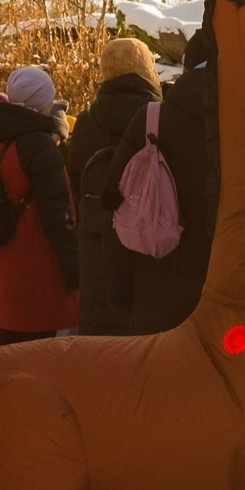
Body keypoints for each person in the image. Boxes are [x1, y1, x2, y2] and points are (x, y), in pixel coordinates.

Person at [104, 17, 218, 335]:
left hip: (157, 286)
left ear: (186, 67)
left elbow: (117, 204)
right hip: (232, 289)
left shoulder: (151, 120)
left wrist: (118, 289)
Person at [66, 37, 163, 335]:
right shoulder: (157, 118)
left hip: (95, 248)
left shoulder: (85, 122)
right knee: (144, 343)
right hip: (147, 246)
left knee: (101, 345)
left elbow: (74, 186)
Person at [0, 66, 80, 344]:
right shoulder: (39, 145)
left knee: (12, 339)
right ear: (41, 101)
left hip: (3, 254)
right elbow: (57, 213)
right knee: (38, 346)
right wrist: (74, 266)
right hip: (38, 260)